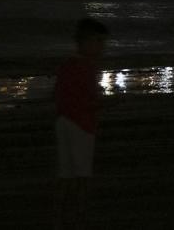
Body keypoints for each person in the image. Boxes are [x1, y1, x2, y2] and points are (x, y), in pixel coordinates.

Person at [53, 17, 108, 229]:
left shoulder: (67, 66)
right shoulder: (87, 67)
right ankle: (79, 218)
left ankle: (61, 217)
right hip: (82, 124)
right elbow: (90, 101)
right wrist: (108, 104)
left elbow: (58, 95)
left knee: (66, 176)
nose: (102, 47)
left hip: (64, 121)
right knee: (83, 176)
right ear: (85, 42)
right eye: (99, 41)